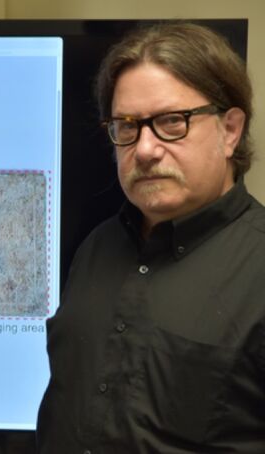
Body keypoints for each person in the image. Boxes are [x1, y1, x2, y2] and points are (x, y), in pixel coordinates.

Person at [36, 22, 265, 452]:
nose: (144, 149)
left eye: (171, 122)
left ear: (230, 130)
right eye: (127, 126)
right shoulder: (94, 249)